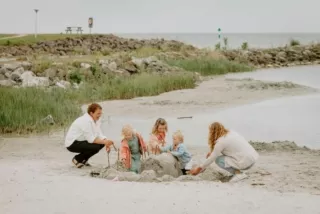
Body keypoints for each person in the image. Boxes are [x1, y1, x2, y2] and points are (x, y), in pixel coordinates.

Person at [190, 122, 259, 182]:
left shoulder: (221, 142)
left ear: (212, 132)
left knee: (218, 160)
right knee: (224, 155)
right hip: (253, 158)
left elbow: (211, 158)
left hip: (246, 162)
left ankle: (238, 174)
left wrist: (199, 169)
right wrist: (213, 152)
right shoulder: (231, 132)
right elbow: (229, 147)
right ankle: (238, 172)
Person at [64, 103, 114, 168]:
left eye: (100, 113)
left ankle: (84, 160)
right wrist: (105, 142)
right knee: (95, 147)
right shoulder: (86, 121)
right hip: (72, 143)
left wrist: (106, 142)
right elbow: (91, 139)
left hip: (81, 141)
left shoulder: (96, 120)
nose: (100, 115)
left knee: (101, 144)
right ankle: (77, 159)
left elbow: (99, 134)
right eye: (98, 114)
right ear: (91, 113)